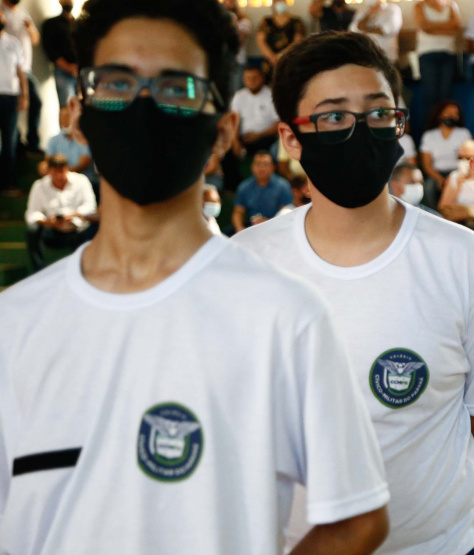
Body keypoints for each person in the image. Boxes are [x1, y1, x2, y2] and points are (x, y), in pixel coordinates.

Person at [1, 1, 392, 552]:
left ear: (223, 130)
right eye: (116, 82)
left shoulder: (283, 317)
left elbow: (357, 519)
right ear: (79, 114)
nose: (142, 106)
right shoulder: (14, 325)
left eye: (177, 89)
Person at [233, 32, 474, 555]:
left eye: (377, 114)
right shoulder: (246, 264)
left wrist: (422, 494)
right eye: (332, 116)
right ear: (290, 137)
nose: (359, 130)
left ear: (400, 125)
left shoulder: (461, 258)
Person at [24, 154, 96, 271]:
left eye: (62, 171)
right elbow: (32, 213)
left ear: (67, 168)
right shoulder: (39, 186)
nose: (59, 176)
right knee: (32, 229)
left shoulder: (81, 180)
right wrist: (46, 221)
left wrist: (74, 215)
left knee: (94, 224)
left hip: (78, 229)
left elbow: (90, 206)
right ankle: (38, 269)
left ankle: (89, 268)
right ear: (49, 171)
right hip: (52, 230)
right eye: (55, 172)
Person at [2, 0, 39, 153]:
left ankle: (31, 143)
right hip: (9, 73)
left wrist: (30, 29)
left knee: (36, 102)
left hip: (25, 69)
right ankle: (17, 143)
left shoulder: (23, 13)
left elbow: (36, 39)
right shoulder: (1, 11)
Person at [415, 0, 461, 115]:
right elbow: (424, 26)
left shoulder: (451, 5)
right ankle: (432, 128)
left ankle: (447, 126)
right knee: (431, 95)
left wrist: (432, 25)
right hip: (427, 55)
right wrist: (446, 26)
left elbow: (456, 27)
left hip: (448, 54)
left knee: (447, 95)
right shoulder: (420, 6)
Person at [420, 100, 472, 197]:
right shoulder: (429, 136)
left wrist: (453, 177)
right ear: (439, 114)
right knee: (428, 188)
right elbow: (427, 164)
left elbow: (468, 159)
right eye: (448, 112)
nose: (451, 116)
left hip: (458, 172)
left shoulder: (464, 133)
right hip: (436, 174)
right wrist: (440, 179)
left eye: (455, 113)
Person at [0, 9, 26, 192]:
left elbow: (21, 71)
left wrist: (25, 95)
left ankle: (8, 182)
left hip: (10, 97)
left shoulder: (13, 42)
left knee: (10, 141)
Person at [233, 151, 292, 232]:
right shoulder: (244, 187)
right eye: (258, 164)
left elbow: (287, 212)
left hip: (276, 228)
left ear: (272, 167)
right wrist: (240, 229)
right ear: (252, 167)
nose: (261, 168)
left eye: (265, 164)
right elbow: (238, 212)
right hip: (251, 228)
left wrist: (270, 222)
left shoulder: (282, 186)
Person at [438, 139, 474, 228]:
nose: (464, 161)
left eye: (468, 158)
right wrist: (458, 186)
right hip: (457, 218)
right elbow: (443, 208)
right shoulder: (454, 176)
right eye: (460, 158)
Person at [231, 65, 279, 156]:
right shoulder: (239, 96)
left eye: (254, 78)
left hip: (266, 137)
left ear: (262, 78)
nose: (251, 81)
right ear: (243, 80)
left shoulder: (272, 95)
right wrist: (235, 142)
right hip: (243, 137)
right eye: (248, 78)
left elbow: (278, 123)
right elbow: (234, 122)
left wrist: (259, 135)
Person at [41, 0, 78, 107]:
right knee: (66, 107)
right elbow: (50, 49)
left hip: (80, 73)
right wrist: (67, 67)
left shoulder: (78, 24)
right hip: (63, 72)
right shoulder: (51, 24)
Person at [43, 106, 93, 182]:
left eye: (67, 116)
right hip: (58, 180)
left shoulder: (84, 138)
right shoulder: (54, 140)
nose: (63, 119)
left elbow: (84, 163)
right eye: (61, 116)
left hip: (82, 181)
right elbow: (49, 161)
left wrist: (64, 173)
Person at [255, 0, 305, 76]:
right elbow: (260, 41)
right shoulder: (266, 22)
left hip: (289, 61)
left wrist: (281, 56)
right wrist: (272, 58)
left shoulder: (296, 22)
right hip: (269, 63)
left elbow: (298, 41)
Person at [223, 0, 251, 96]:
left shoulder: (244, 22)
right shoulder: (219, 22)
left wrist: (232, 23)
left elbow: (239, 41)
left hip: (238, 61)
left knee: (236, 93)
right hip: (223, 61)